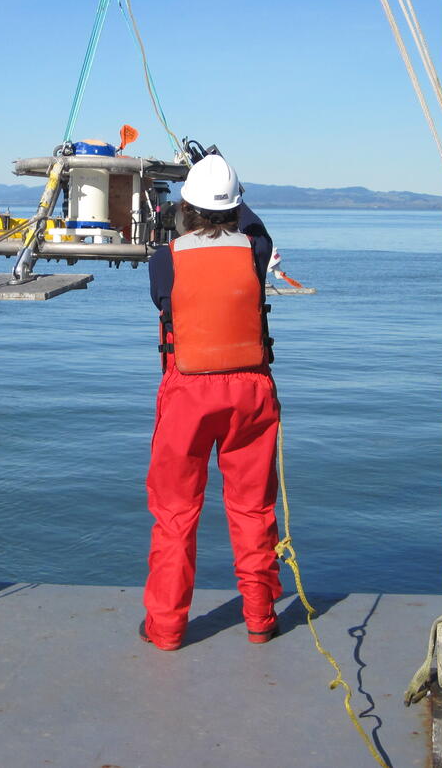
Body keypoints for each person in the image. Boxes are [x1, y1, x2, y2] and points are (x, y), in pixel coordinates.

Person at [141, 153, 282, 651]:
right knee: (253, 508)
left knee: (176, 511)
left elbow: (165, 303)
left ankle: (166, 628)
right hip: (250, 389)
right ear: (236, 206)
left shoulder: (166, 259)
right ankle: (261, 617)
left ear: (186, 207)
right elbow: (254, 224)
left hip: (189, 390)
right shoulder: (255, 249)